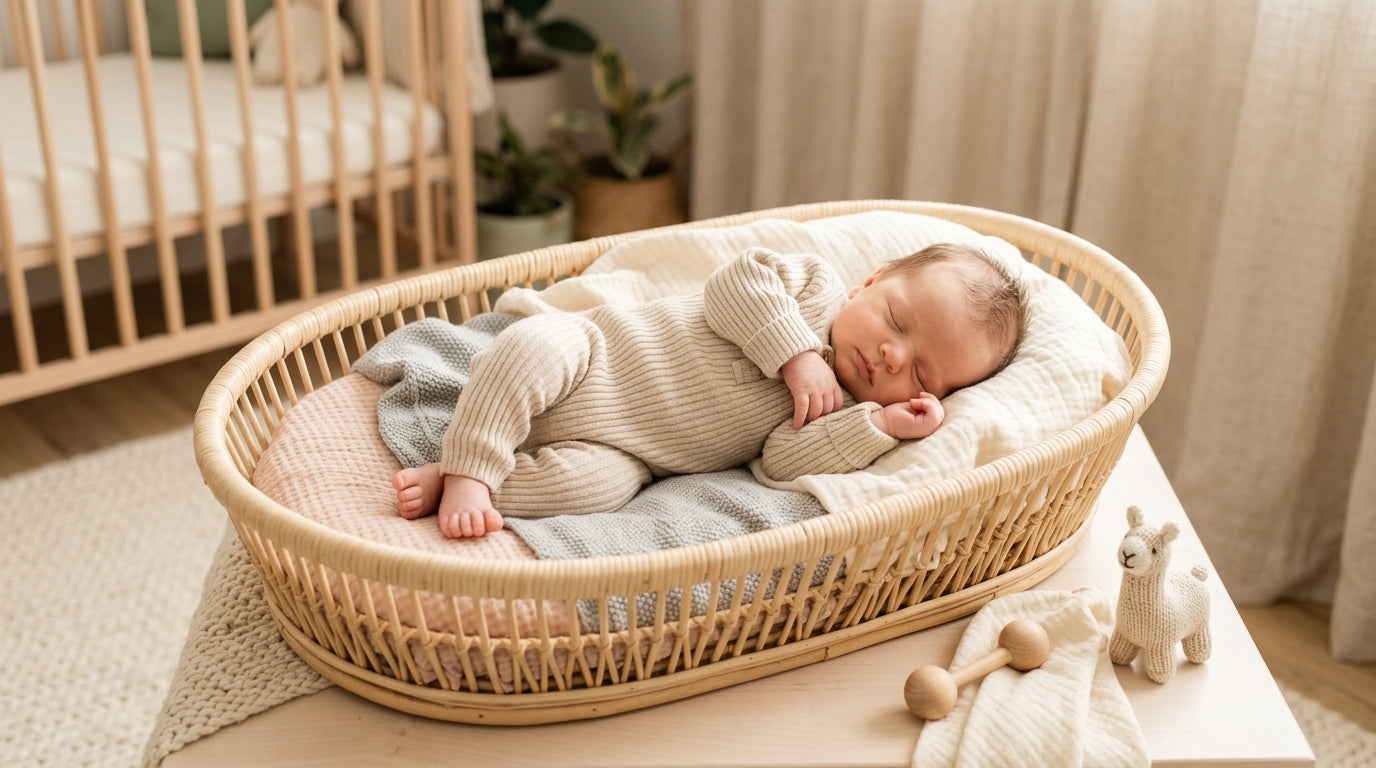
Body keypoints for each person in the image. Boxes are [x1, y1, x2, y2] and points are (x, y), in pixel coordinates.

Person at [393, 242, 1027, 538]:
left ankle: (461, 480)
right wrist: (796, 355)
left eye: (920, 374)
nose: (892, 356)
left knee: (597, 489)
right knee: (535, 344)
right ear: (870, 281)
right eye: (895, 320)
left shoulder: (848, 412)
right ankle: (473, 463)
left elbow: (782, 462)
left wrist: (880, 427)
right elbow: (733, 283)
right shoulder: (813, 289)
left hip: (627, 452)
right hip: (595, 358)